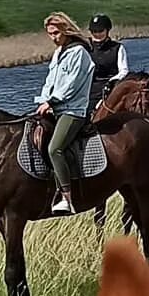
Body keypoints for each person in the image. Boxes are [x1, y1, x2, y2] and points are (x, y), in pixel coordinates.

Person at [34, 12, 95, 215]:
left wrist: (52, 101)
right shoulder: (58, 53)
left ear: (66, 30)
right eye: (50, 34)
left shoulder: (79, 53)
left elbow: (72, 84)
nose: (53, 38)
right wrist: (43, 100)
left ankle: (67, 198)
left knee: (54, 149)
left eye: (56, 33)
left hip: (73, 111)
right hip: (55, 108)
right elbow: (49, 81)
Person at [87, 14, 130, 112]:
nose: (97, 34)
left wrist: (112, 81)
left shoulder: (118, 48)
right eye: (94, 31)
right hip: (89, 88)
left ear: (107, 30)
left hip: (111, 88)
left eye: (100, 31)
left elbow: (124, 70)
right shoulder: (85, 47)